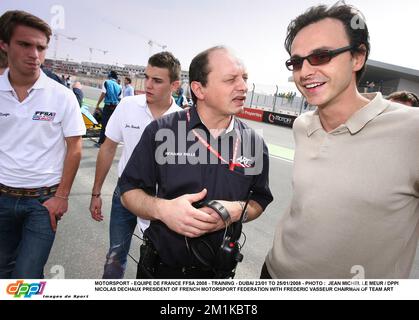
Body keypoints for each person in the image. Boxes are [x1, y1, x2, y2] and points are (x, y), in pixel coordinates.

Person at [263, 2, 419, 279]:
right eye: (297, 61)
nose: (305, 71)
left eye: (321, 56)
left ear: (358, 58)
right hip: (273, 274)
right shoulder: (302, 125)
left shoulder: (411, 130)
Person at [119, 46, 273, 279]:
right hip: (160, 273)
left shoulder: (253, 143)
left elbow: (258, 201)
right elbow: (129, 191)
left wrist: (235, 211)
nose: (243, 87)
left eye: (245, 78)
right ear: (199, 89)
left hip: (219, 276)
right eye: (231, 79)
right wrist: (163, 210)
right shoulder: (162, 131)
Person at [0, 10, 85, 279]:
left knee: (27, 273)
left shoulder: (63, 96)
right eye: (25, 44)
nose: (34, 54)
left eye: (40, 47)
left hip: (43, 202)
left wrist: (61, 197)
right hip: (2, 198)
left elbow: (75, 147)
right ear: (4, 44)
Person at [89, 52, 183, 279]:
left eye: (157, 80)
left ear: (175, 85)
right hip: (124, 194)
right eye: (147, 77)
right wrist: (96, 193)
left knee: (154, 262)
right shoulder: (127, 105)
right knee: (115, 255)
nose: (148, 85)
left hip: (161, 201)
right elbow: (108, 147)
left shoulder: (183, 120)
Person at [95, 70, 122, 146]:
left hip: (108, 106)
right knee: (112, 125)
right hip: (115, 107)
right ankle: (109, 142)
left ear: (109, 76)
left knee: (104, 124)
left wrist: (98, 104)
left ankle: (101, 142)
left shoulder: (106, 82)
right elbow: (120, 99)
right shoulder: (119, 86)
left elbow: (103, 93)